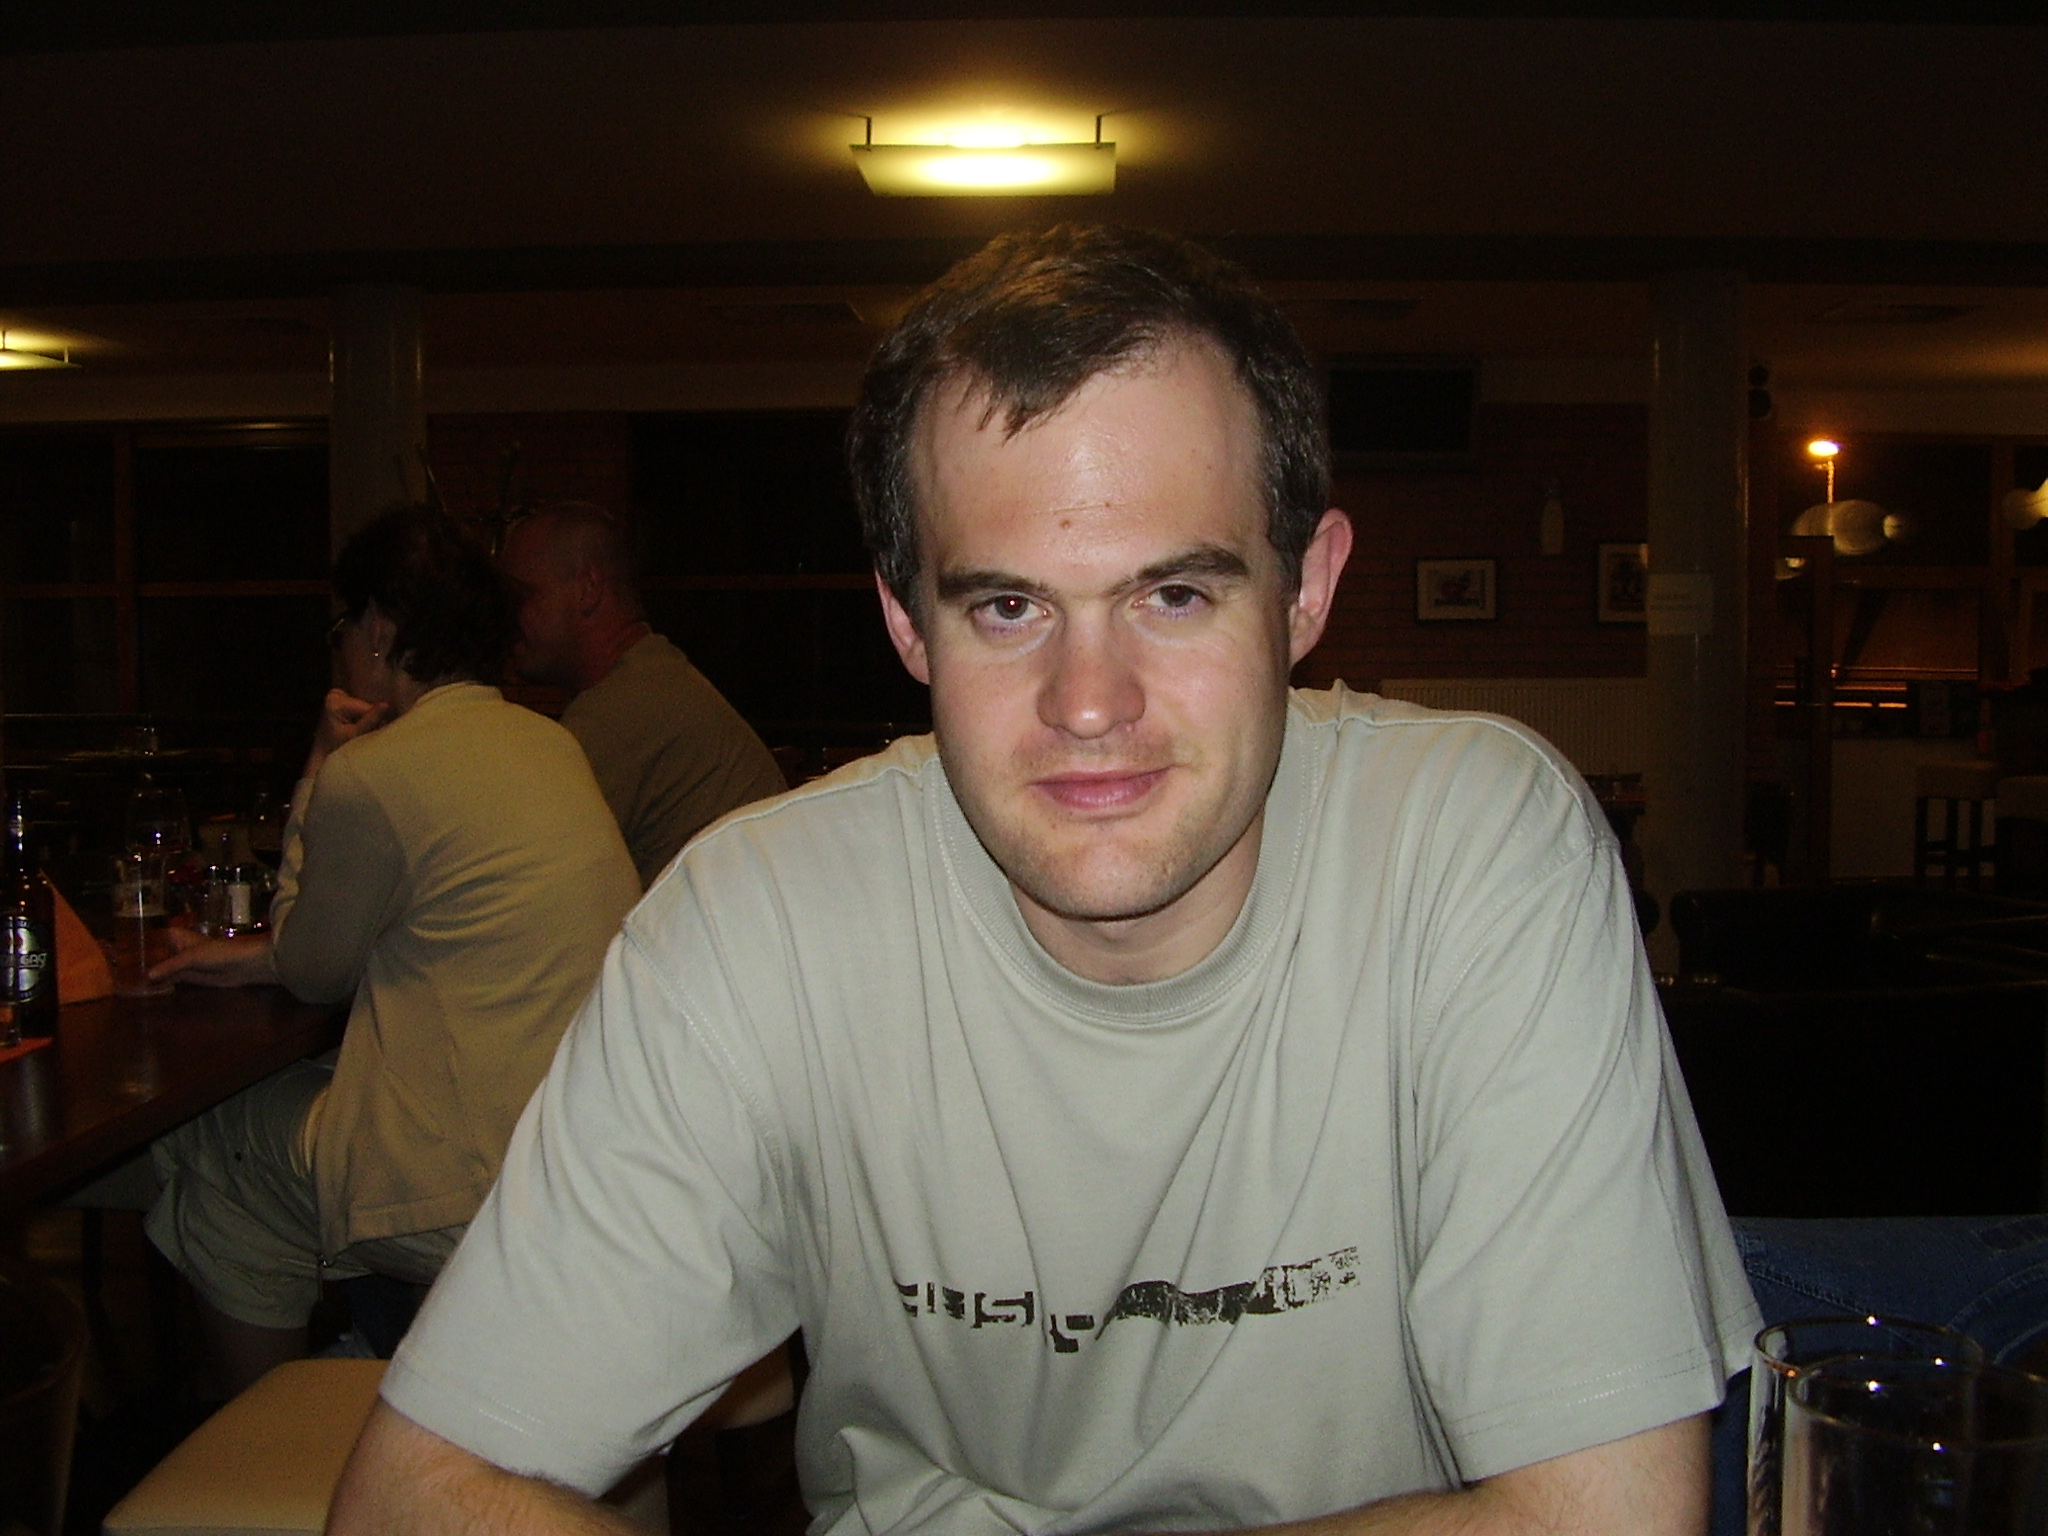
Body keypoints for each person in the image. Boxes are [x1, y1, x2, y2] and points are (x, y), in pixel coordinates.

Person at [332, 226, 1758, 1535]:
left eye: (1174, 594)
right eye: (1007, 606)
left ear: (1307, 591)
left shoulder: (1475, 850)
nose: (1089, 703)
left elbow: (1607, 1516)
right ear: (907, 622)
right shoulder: (757, 922)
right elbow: (415, 1496)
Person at [147, 506, 640, 1397]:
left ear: (379, 627)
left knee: (218, 1146)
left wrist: (320, 760)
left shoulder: (371, 773)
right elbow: (426, 924)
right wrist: (255, 957)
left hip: (469, 1188)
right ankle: (382, 1361)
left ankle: (274, 1432)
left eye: (344, 626)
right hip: (573, 1156)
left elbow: (314, 969)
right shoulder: (551, 743)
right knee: (307, 1117)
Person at [498, 501, 786, 888]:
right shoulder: (652, 679)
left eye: (522, 595)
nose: (506, 617)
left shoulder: (623, 713)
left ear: (588, 589)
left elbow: (518, 874)